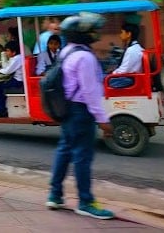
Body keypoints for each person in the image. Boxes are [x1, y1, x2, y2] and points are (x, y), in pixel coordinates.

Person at [47, 12, 115, 220]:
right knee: (82, 156)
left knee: (65, 150)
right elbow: (90, 92)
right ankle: (85, 202)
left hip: (68, 110)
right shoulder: (84, 57)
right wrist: (102, 120)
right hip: (81, 111)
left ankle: (55, 195)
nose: (95, 33)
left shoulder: (67, 52)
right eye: (91, 30)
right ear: (81, 35)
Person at [0, 40, 24, 117]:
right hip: (16, 79)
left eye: (7, 51)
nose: (6, 53)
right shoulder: (16, 58)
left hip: (17, 81)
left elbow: (7, 71)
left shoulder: (17, 58)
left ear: (13, 52)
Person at [106, 23, 143, 88]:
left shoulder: (132, 50)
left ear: (129, 34)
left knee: (101, 80)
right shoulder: (135, 48)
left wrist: (112, 73)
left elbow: (124, 70)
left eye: (122, 32)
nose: (120, 35)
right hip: (129, 77)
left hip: (128, 79)